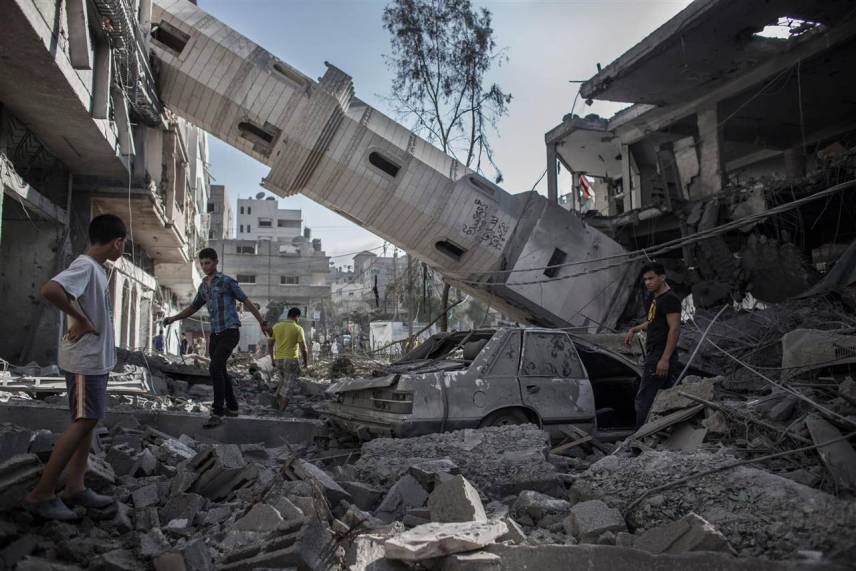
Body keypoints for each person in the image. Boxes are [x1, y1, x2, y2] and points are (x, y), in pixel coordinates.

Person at [24, 214, 127, 520]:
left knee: (88, 421)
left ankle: (75, 486)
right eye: (123, 245)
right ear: (116, 243)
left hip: (94, 362)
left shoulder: (95, 268)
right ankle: (41, 494)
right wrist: (81, 319)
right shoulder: (85, 266)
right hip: (84, 362)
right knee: (83, 421)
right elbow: (50, 290)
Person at [164, 248, 271, 427]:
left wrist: (261, 321)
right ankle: (233, 407)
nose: (205, 266)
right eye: (202, 263)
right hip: (215, 334)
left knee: (214, 367)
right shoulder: (204, 286)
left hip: (230, 331)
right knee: (220, 369)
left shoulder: (227, 282)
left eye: (208, 263)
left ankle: (218, 412)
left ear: (216, 262)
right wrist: (173, 318)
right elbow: (193, 308)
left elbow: (246, 301)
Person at [624, 262, 682, 428]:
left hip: (660, 355)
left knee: (644, 399)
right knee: (664, 397)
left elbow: (674, 329)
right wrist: (634, 329)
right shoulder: (656, 299)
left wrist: (664, 359)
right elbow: (652, 322)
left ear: (662, 277)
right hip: (656, 354)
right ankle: (659, 435)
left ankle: (638, 439)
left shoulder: (670, 299)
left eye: (651, 278)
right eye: (645, 279)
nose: (647, 282)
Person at [268, 307, 310, 410]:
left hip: (279, 360)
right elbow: (304, 348)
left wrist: (272, 359)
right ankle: (281, 410)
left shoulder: (276, 326)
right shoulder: (298, 328)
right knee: (288, 386)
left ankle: (275, 401)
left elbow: (270, 344)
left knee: (283, 381)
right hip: (290, 360)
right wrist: (305, 363)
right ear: (297, 317)